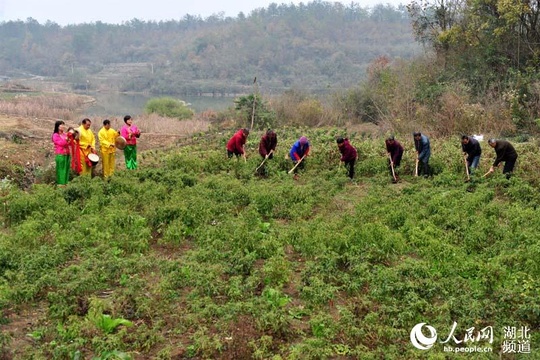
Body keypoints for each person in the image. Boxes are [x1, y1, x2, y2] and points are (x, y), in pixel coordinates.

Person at [52, 120, 71, 186]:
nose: (63, 126)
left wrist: (69, 139)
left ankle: (66, 183)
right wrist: (67, 140)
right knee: (61, 169)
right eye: (61, 125)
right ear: (57, 126)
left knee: (66, 169)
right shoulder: (55, 135)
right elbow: (61, 143)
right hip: (60, 154)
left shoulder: (65, 134)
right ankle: (60, 184)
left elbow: (69, 143)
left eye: (63, 125)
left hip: (67, 154)